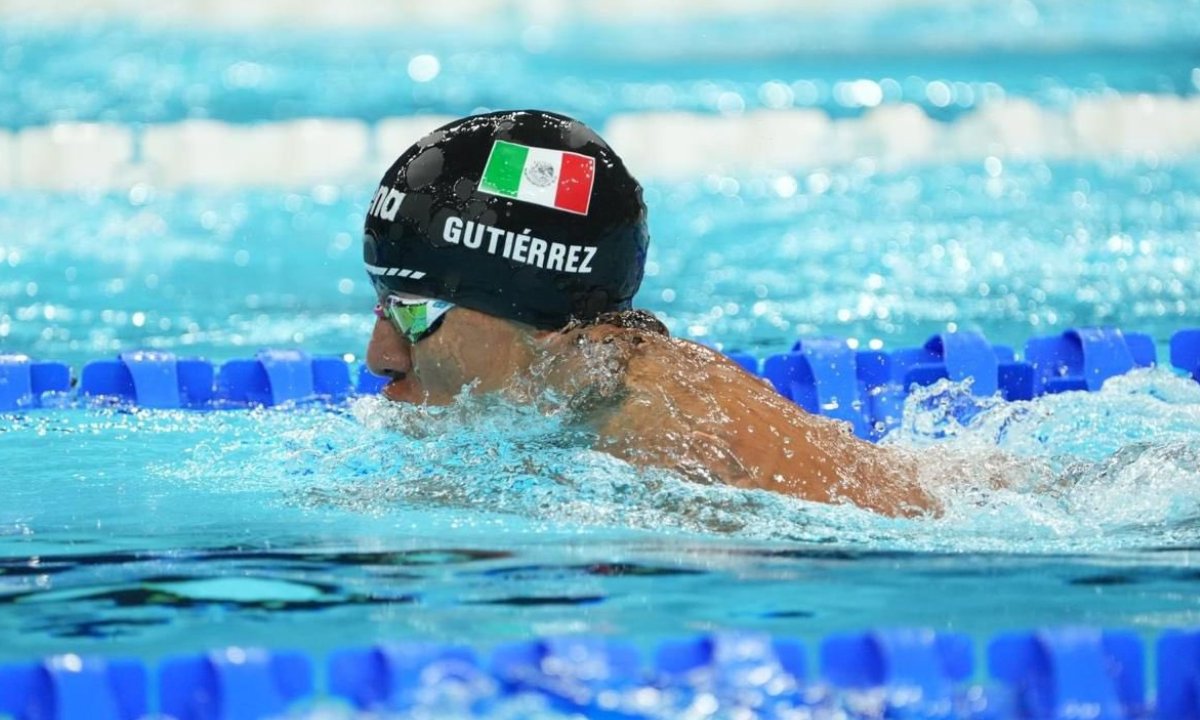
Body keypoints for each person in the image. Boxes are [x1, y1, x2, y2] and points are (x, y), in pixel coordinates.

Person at [363, 109, 931, 517]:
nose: (380, 359)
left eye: (415, 311)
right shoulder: (581, 403)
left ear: (552, 329)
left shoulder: (682, 449)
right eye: (383, 305)